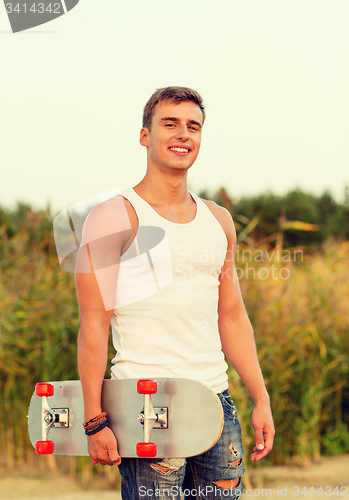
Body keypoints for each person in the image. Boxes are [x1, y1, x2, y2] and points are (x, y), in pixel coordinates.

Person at [75, 86, 275, 500]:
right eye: (170, 124)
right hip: (146, 405)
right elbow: (93, 323)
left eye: (193, 126)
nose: (183, 134)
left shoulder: (219, 220)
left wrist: (261, 397)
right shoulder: (114, 216)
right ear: (145, 135)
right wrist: (94, 420)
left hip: (216, 404)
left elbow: (232, 316)